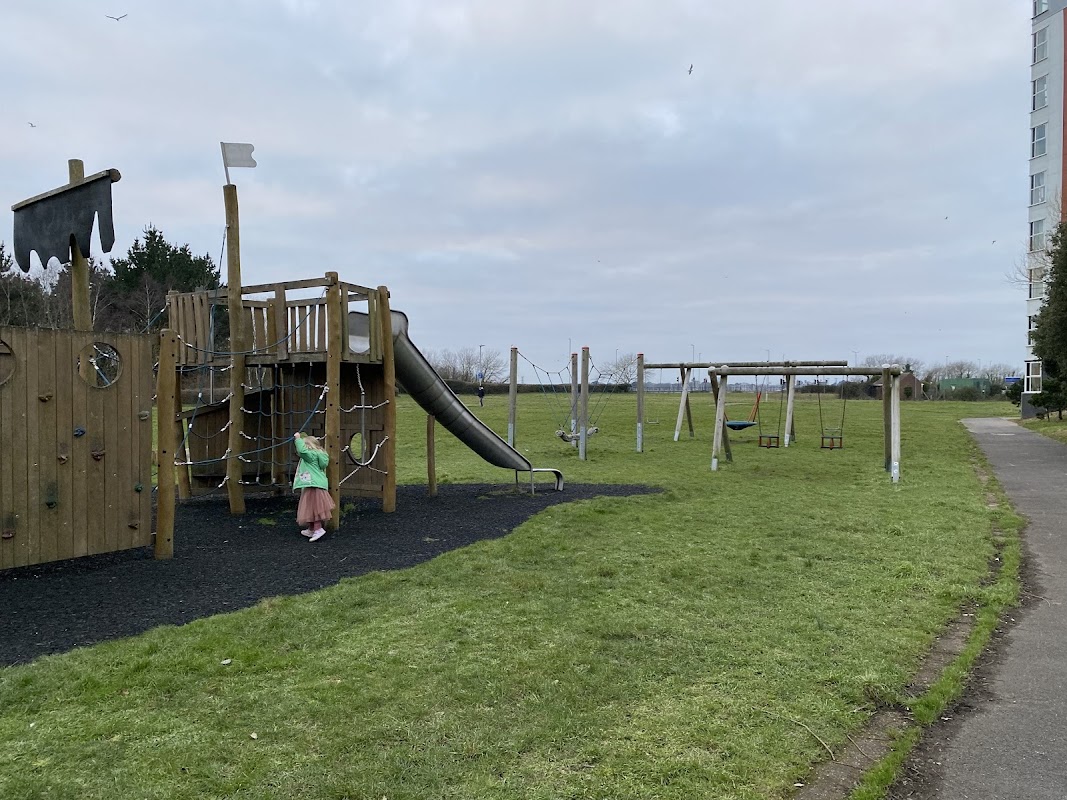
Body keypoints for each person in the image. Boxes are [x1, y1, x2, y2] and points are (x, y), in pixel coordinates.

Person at [293, 431, 334, 542]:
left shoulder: (311, 455)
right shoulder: (318, 455)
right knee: (309, 508)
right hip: (313, 484)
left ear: (308, 447)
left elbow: (302, 451)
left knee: (313, 509)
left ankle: (318, 529)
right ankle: (311, 529)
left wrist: (298, 439)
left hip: (313, 485)